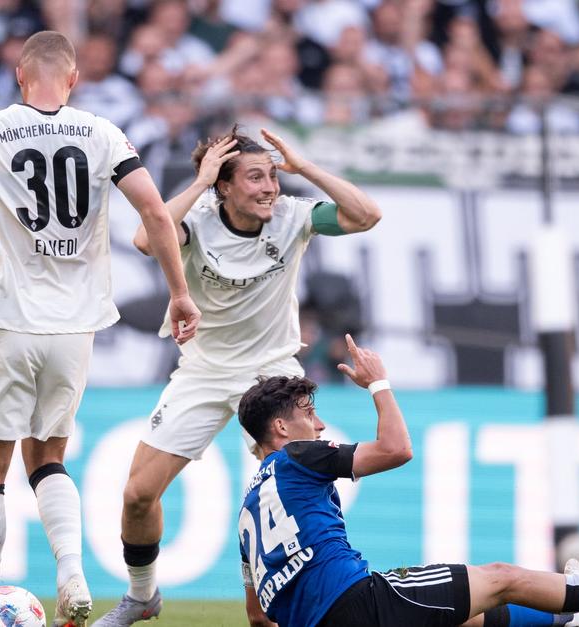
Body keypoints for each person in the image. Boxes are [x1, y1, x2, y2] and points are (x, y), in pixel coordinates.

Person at [0, 31, 200, 627]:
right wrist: (178, 292)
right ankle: (71, 571)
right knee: (48, 458)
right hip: (75, 329)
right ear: (73, 80)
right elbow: (153, 211)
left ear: (20, 75)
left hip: (8, 320)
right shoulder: (101, 132)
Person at [93, 126, 382, 625]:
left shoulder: (292, 216)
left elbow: (367, 215)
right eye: (255, 177)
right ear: (223, 186)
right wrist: (199, 181)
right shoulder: (197, 221)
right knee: (139, 495)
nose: (269, 187)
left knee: (293, 492)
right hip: (204, 371)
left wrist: (305, 168)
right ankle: (142, 595)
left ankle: (301, 605)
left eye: (271, 176)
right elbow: (146, 237)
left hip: (272, 373)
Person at [235, 334, 579, 627]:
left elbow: (258, 618)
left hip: (331, 619)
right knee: (501, 576)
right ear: (279, 428)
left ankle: (565, 619)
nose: (318, 425)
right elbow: (397, 449)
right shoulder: (296, 458)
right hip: (359, 604)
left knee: (463, 610)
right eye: (309, 414)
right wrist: (379, 384)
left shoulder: (246, 516)